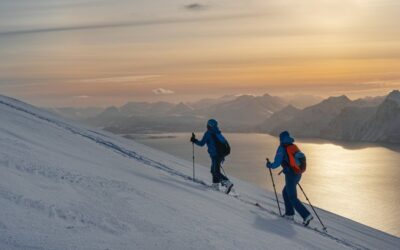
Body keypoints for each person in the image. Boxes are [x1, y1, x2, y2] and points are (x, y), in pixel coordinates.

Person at [266, 131, 313, 226]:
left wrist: (269, 165)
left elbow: (276, 163)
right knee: (285, 192)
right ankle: (289, 214)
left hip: (290, 174)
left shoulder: (282, 148)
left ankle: (306, 215)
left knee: (292, 196)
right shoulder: (293, 146)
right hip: (298, 173)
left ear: (281, 139)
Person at [191, 119, 234, 193]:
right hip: (220, 155)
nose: (207, 126)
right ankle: (215, 185)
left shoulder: (208, 133)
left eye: (208, 124)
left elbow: (201, 144)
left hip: (215, 156)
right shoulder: (218, 132)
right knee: (213, 170)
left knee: (216, 171)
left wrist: (194, 140)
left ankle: (227, 183)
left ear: (209, 125)